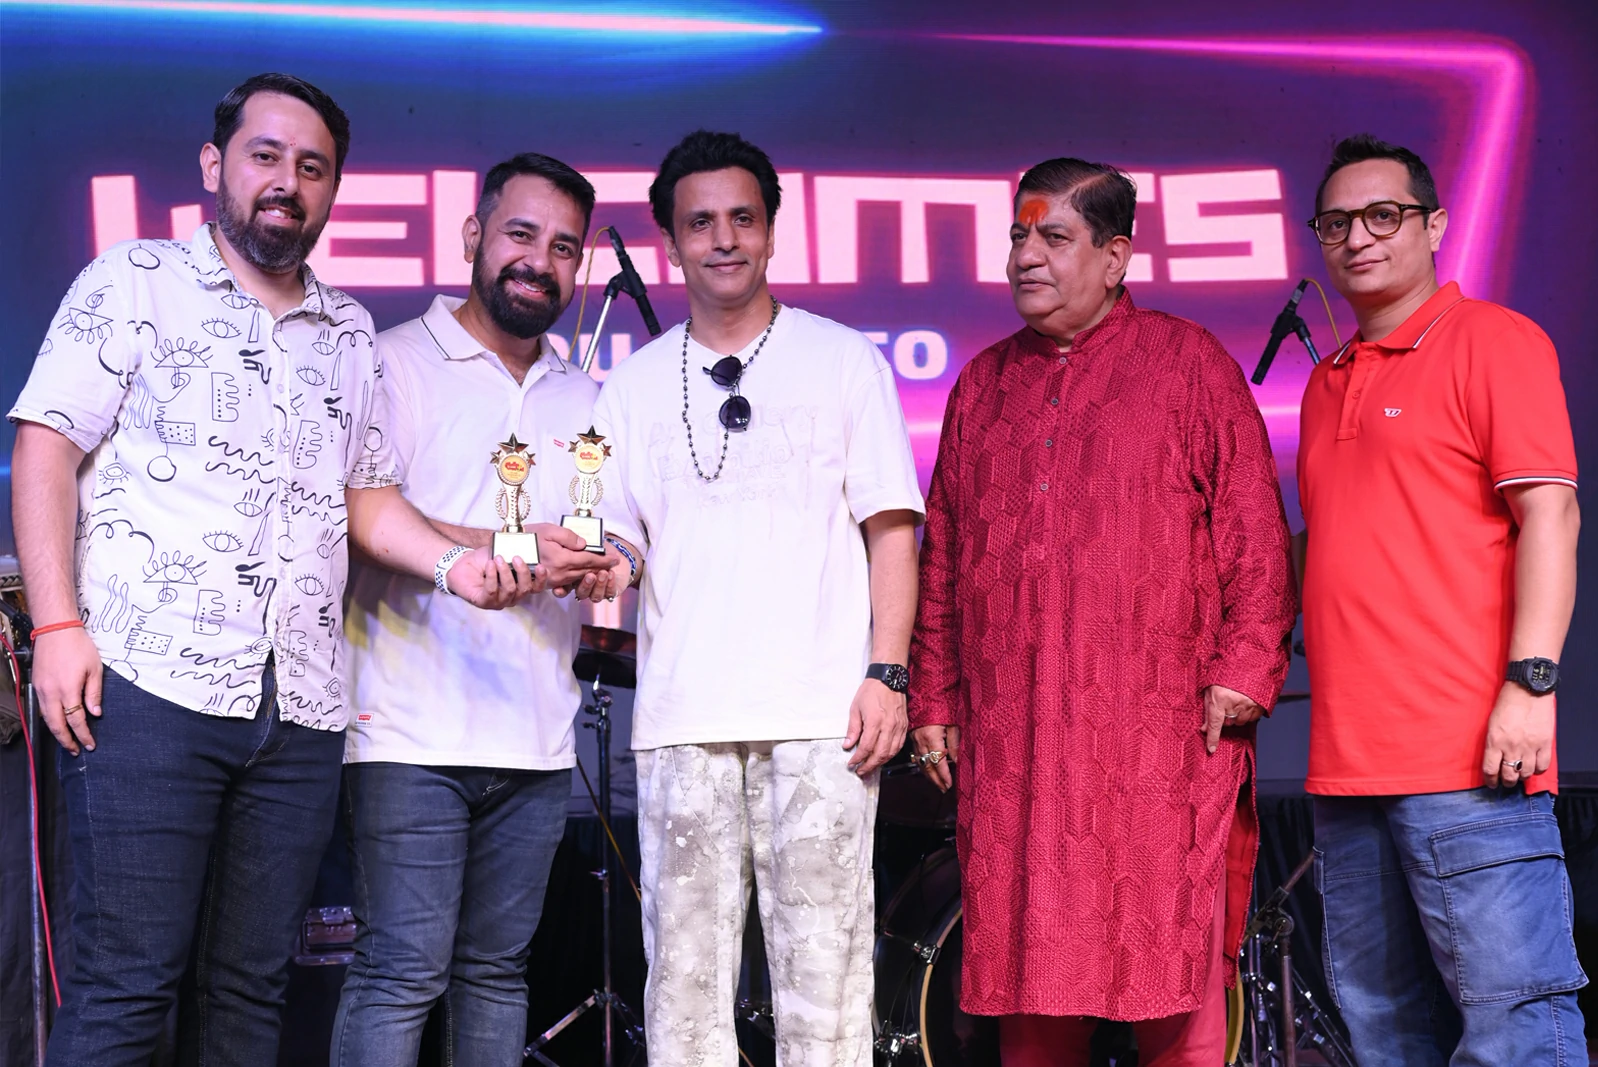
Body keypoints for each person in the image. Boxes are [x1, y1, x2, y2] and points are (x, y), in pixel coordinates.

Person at [8, 73, 532, 1066]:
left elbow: (366, 495)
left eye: (312, 166)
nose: (287, 181)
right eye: (265, 156)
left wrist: (457, 564)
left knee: (250, 994)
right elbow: (45, 445)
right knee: (127, 988)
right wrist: (58, 623)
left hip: (299, 711)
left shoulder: (349, 331)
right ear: (216, 166)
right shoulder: (134, 280)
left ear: (332, 189)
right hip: (146, 686)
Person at [909, 158, 1296, 1066]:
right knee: (1031, 981)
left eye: (1053, 237)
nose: (1025, 256)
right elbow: (945, 556)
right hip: (1020, 743)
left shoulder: (1189, 364)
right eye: (1018, 236)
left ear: (1116, 256)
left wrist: (1244, 669)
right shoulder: (982, 386)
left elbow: (1254, 528)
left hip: (1159, 739)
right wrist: (934, 695)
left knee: (1174, 982)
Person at [589, 129, 923, 1066]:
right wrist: (601, 564)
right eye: (700, 222)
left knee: (827, 986)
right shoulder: (633, 385)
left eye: (742, 218)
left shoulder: (843, 359)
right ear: (670, 242)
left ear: (772, 231)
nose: (723, 239)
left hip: (822, 718)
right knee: (683, 992)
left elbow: (892, 529)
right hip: (682, 720)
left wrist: (888, 673)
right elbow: (624, 540)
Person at [330, 152, 637, 1065]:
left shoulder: (587, 396)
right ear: (473, 234)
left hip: (535, 737)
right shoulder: (392, 361)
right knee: (399, 972)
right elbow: (358, 513)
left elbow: (616, 529)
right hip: (405, 731)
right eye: (520, 234)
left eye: (564, 247)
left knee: (497, 976)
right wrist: (511, 546)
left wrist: (610, 561)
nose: (539, 261)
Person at [1298, 133, 1587, 1065]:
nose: (1358, 238)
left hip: (1470, 757)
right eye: (1336, 222)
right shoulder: (1325, 381)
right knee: (1384, 1036)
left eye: (1384, 215)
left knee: (1515, 1031)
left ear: (1434, 226)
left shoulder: (1493, 340)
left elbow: (1551, 513)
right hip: (1348, 768)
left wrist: (1530, 685)